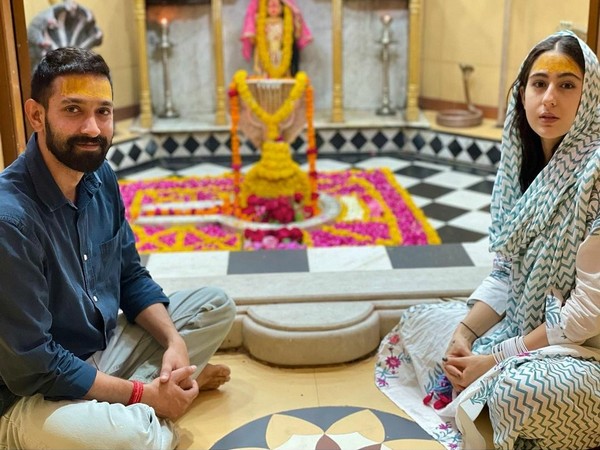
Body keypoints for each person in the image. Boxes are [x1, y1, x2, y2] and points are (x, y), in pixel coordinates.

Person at [0, 47, 236, 449]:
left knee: (215, 305)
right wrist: (144, 395)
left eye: (103, 112)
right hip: (32, 394)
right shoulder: (10, 220)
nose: (93, 128)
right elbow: (33, 366)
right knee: (131, 439)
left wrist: (175, 343)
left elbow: (130, 276)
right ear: (36, 115)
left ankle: (151, 396)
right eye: (73, 110)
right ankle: (156, 407)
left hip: (102, 352)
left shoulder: (99, 176)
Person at [375, 30, 600, 450]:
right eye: (539, 83)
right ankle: (488, 405)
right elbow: (504, 273)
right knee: (423, 323)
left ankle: (497, 399)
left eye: (566, 85)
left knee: (522, 392)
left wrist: (496, 358)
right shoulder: (520, 166)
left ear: (589, 96)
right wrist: (464, 336)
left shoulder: (597, 172)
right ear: (523, 93)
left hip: (584, 349)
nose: (549, 98)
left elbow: (588, 315)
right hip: (526, 331)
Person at [241, 0, 312, 78]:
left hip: (281, 56)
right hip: (266, 56)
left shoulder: (285, 23)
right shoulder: (261, 23)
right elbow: (254, 39)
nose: (273, 9)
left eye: (276, 6)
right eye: (270, 6)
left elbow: (296, 35)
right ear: (266, 8)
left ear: (281, 8)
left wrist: (297, 19)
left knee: (283, 75)